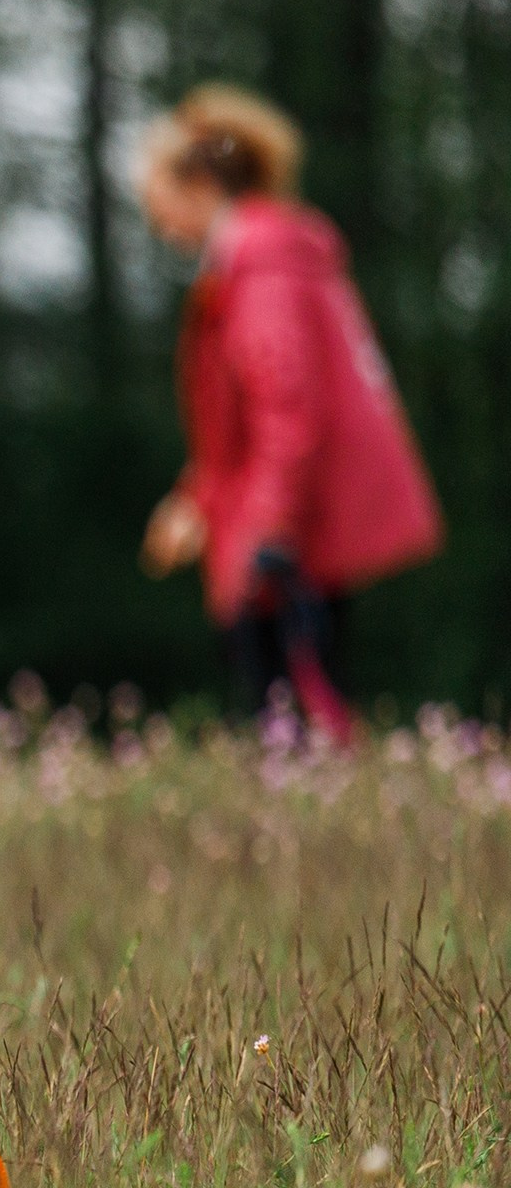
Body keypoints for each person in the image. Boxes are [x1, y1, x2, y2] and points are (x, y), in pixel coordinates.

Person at [135, 85, 443, 739]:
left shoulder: (261, 269)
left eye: (153, 198)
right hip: (283, 522)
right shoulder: (259, 258)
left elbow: (286, 414)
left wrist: (266, 533)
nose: (154, 221)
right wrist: (196, 500)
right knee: (302, 717)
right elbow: (236, 426)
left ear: (195, 183)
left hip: (284, 542)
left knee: (292, 722)